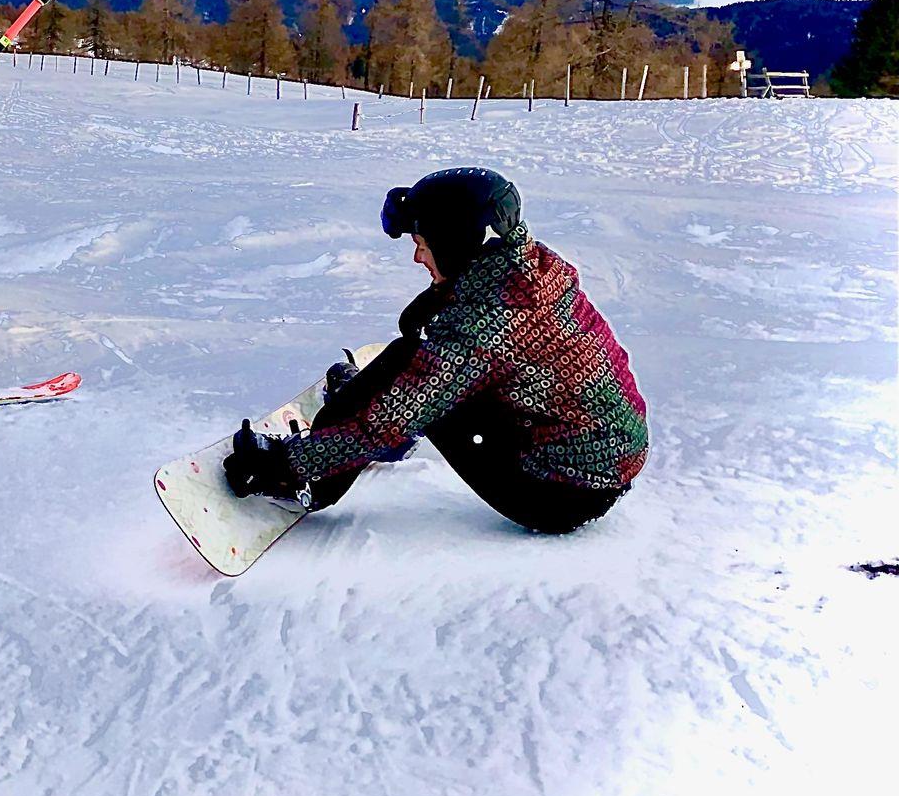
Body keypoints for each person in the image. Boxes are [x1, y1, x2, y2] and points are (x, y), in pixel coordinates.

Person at [224, 167, 648, 534]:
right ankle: (358, 426)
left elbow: (394, 416)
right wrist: (436, 301)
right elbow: (484, 308)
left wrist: (289, 463)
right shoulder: (530, 264)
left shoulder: (484, 328)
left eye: (422, 244)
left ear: (455, 245)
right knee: (419, 367)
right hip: (597, 459)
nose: (416, 257)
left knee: (413, 387)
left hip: (559, 494)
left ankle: (304, 482)